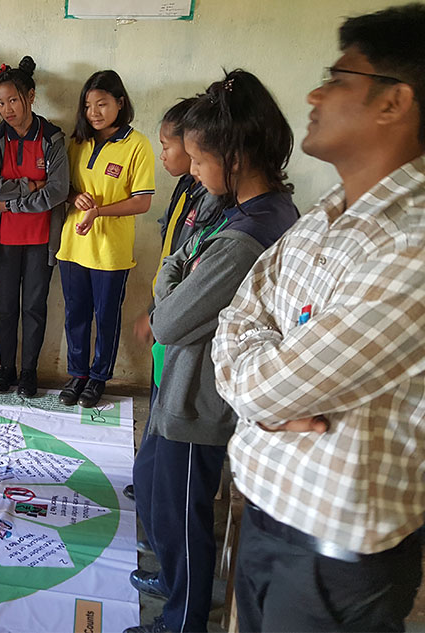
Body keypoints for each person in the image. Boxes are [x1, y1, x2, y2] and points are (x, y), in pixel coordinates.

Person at [213, 5, 425, 631]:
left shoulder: (413, 243)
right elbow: (238, 312)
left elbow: (262, 386)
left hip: (335, 562)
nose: (314, 94)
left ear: (394, 102)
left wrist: (259, 381)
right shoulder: (325, 215)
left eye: (337, 78)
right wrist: (264, 373)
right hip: (267, 519)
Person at [128, 70, 300, 633]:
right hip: (182, 384)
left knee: (183, 516)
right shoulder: (241, 208)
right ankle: (176, 584)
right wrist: (176, 276)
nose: (195, 172)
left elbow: (171, 320)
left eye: (201, 161)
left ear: (235, 156)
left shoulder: (248, 234)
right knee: (158, 492)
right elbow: (182, 258)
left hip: (199, 398)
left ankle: (184, 619)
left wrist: (168, 286)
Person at [124, 97, 220, 529]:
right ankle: (150, 484)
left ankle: (157, 496)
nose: (163, 155)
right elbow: (174, 256)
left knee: (168, 409)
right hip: (165, 307)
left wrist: (161, 306)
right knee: (157, 403)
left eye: (168, 146)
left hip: (178, 317)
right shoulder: (186, 187)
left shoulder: (213, 199)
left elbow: (187, 264)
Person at [56, 70, 154, 408]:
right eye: (88, 105)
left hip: (111, 251)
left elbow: (142, 201)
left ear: (120, 103)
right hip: (73, 245)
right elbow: (64, 188)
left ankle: (98, 378)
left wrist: (99, 211)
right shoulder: (77, 142)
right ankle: (77, 374)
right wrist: (75, 197)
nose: (94, 112)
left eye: (102, 104)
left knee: (106, 315)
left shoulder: (137, 145)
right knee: (76, 314)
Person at [0, 57, 69, 397]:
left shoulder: (52, 138)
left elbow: (57, 190)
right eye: (0, 103)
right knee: (5, 309)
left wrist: (14, 203)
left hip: (41, 239)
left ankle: (29, 371)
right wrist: (30, 185)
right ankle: (6, 369)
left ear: (30, 96)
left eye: (13, 100)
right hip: (3, 239)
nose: (7, 109)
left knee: (34, 307)